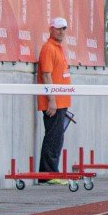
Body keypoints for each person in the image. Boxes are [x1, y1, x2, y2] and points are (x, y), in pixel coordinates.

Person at [35, 17, 73, 176]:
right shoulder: (49, 48)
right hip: (54, 103)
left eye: (64, 28)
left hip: (60, 102)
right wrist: (52, 101)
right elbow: (46, 75)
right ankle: (48, 174)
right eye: (58, 28)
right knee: (53, 138)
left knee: (57, 138)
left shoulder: (58, 48)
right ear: (51, 29)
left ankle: (50, 173)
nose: (62, 31)